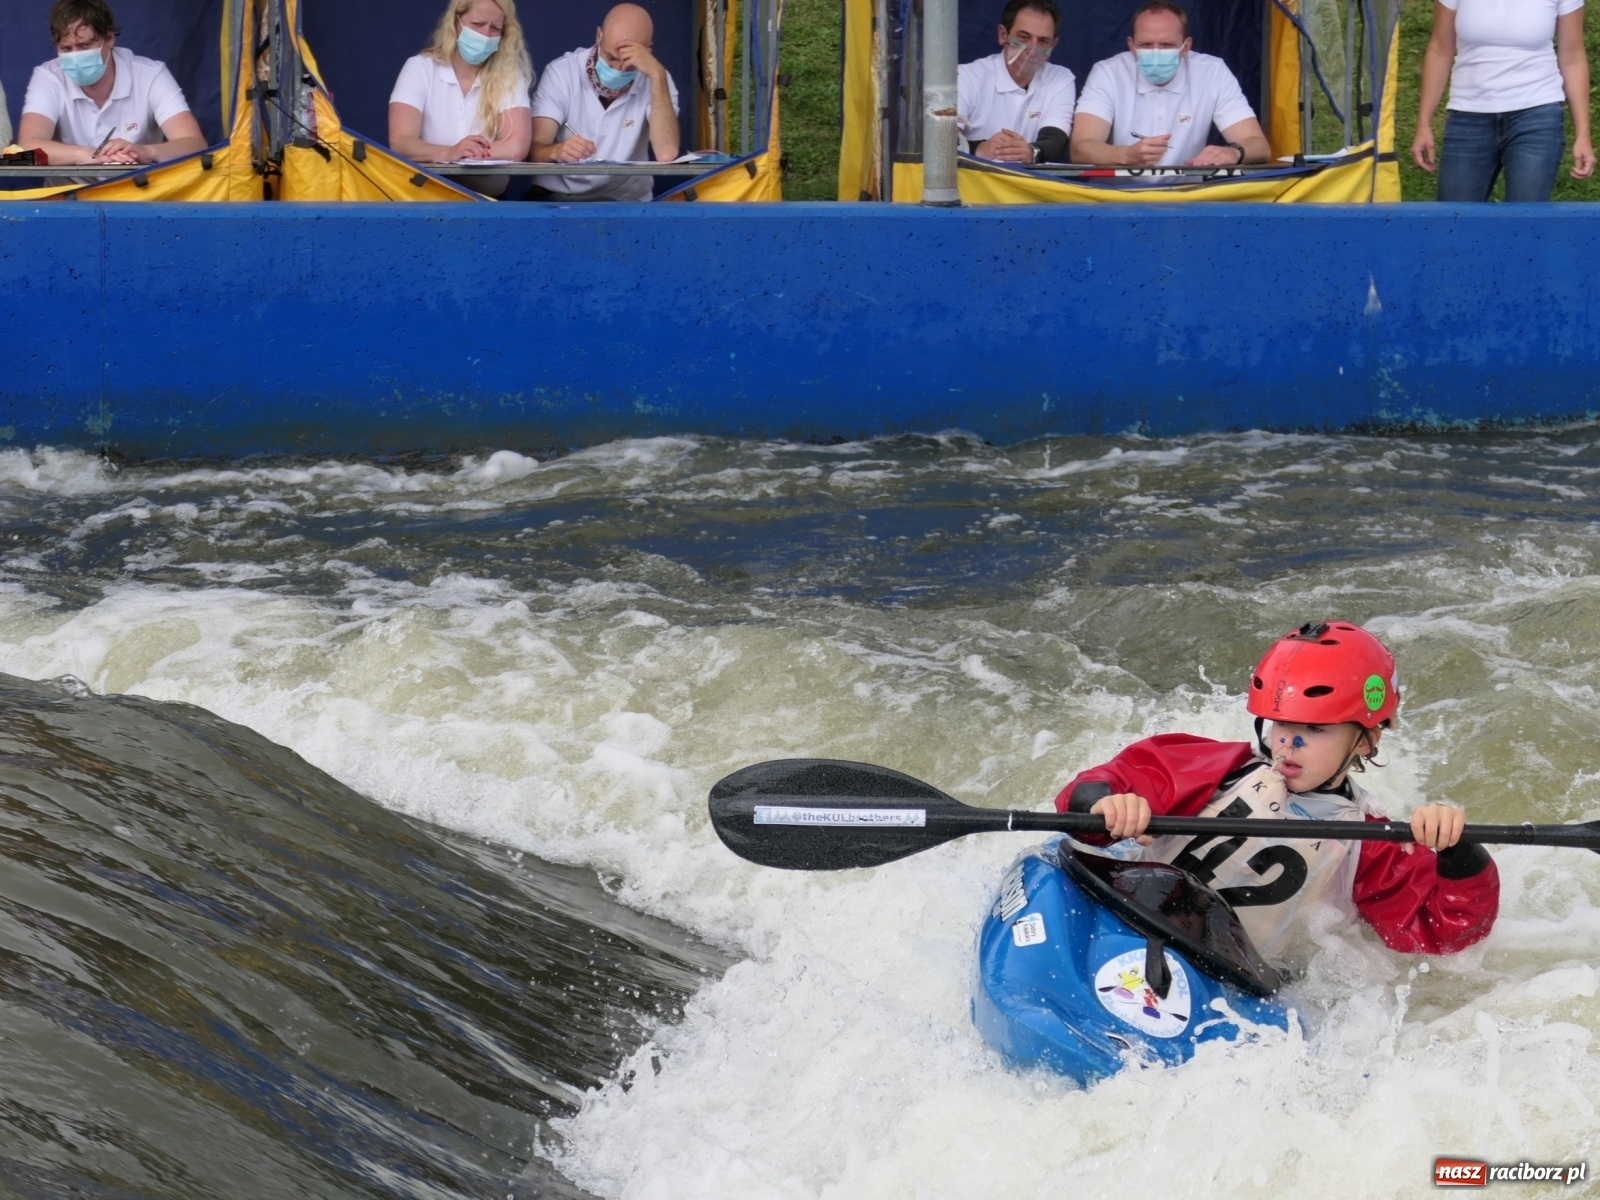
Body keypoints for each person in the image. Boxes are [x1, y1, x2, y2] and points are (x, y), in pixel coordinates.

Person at [1058, 621, 1498, 962]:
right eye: (1283, 723)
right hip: (1125, 918)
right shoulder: (1214, 768)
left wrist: (1457, 851)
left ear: (1366, 741)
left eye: (1315, 728)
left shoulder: (1371, 844)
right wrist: (1106, 804)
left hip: (1226, 974)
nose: (1291, 742)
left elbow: (1443, 935)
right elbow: (1102, 787)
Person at [1412, 0, 1594, 202]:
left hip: (1537, 116)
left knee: (1525, 221)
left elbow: (1573, 57)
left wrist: (1583, 134)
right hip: (1468, 114)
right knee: (1455, 221)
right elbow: (1439, 49)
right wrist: (1423, 123)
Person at [1070, 0, 1269, 168]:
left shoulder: (1212, 71)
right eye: (1146, 45)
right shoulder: (1108, 72)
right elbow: (1081, 148)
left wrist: (1234, 153)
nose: (1156, 52)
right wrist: (1127, 155)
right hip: (1120, 199)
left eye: (1166, 45)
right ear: (1131, 46)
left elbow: (1259, 145)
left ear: (1186, 47)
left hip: (1189, 198)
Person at [16, 0, 206, 167]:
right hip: (69, 196)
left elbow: (194, 144)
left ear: (109, 38)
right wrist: (86, 155)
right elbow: (27, 146)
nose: (75, 56)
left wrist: (146, 152)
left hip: (140, 193)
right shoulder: (48, 76)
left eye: (84, 46)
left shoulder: (151, 74)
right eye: (66, 48)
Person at [528, 3, 680, 202]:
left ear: (647, 51)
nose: (618, 69)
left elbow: (666, 153)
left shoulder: (659, 79)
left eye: (628, 61)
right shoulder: (562, 72)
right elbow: (534, 150)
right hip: (560, 198)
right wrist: (557, 151)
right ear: (599, 36)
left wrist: (657, 75)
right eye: (610, 58)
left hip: (628, 203)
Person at [388, 0, 533, 197]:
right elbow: (401, 142)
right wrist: (450, 153)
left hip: (488, 199)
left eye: (495, 28)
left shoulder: (510, 75)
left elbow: (516, 147)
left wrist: (466, 152)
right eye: (477, 24)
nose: (485, 34)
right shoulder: (419, 68)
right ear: (456, 21)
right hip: (426, 197)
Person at [957, 0, 1076, 165]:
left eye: (1042, 41)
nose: (1032, 50)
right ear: (1003, 35)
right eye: (1024, 37)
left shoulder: (1061, 78)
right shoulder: (967, 76)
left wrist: (1030, 152)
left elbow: (1055, 141)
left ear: (1053, 45)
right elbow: (940, 141)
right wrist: (981, 149)